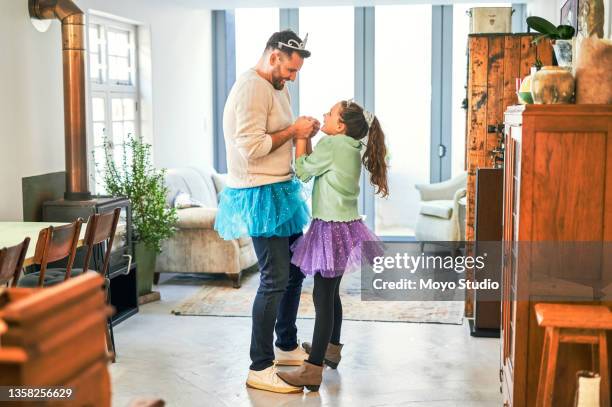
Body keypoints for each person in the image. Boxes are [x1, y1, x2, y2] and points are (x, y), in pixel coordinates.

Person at [213, 30, 320, 394]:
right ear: (274, 56)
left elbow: (279, 133)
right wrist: (294, 129)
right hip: (260, 193)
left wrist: (301, 131)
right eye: (290, 70)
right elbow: (251, 148)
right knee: (273, 279)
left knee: (294, 272)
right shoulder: (250, 88)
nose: (292, 77)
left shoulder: (277, 86)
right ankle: (259, 366)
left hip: (281, 188)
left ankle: (285, 343)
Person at [276, 99, 388, 391]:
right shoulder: (350, 146)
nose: (324, 114)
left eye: (330, 112)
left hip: (328, 227)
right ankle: (332, 349)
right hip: (347, 226)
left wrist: (301, 137)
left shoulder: (333, 145)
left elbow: (301, 170)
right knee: (331, 293)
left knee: (322, 298)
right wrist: (311, 143)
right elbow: (314, 168)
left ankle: (312, 370)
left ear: (340, 126)